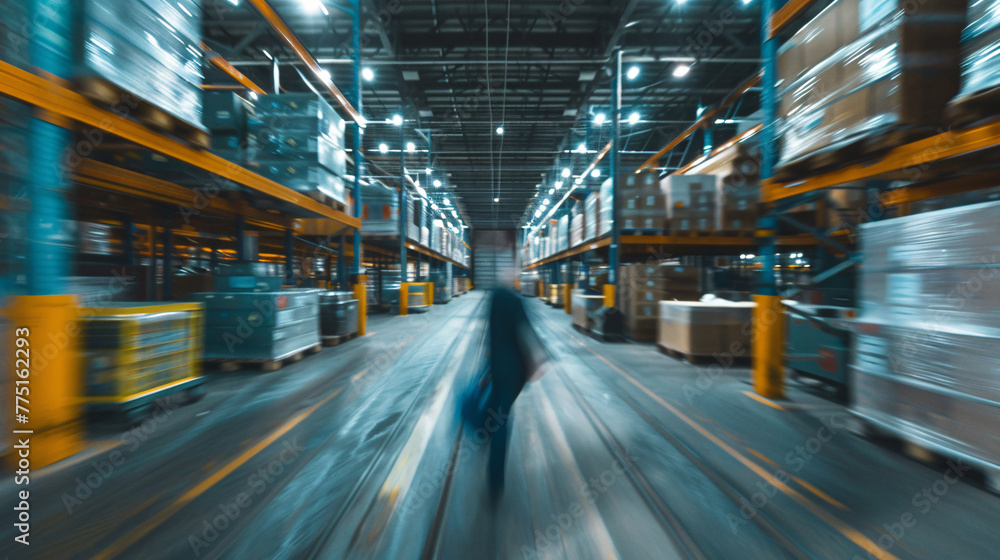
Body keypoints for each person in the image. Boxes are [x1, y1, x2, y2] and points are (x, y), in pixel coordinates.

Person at [483, 275, 546, 500]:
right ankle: (495, 481)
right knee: (501, 419)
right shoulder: (515, 301)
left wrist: (487, 369)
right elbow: (526, 334)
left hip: (497, 368)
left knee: (495, 411)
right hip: (512, 373)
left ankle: (486, 438)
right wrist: (538, 360)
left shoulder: (493, 298)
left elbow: (490, 338)